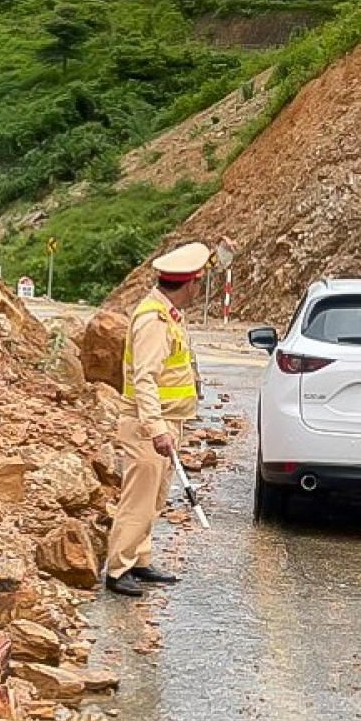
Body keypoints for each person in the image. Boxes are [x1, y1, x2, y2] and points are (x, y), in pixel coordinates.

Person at [105, 242, 211, 597]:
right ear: (189, 284)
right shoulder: (153, 320)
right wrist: (156, 429)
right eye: (198, 283)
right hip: (147, 426)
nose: (198, 289)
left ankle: (139, 560)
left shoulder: (167, 315)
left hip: (167, 423)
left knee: (154, 497)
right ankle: (118, 570)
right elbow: (144, 379)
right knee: (138, 498)